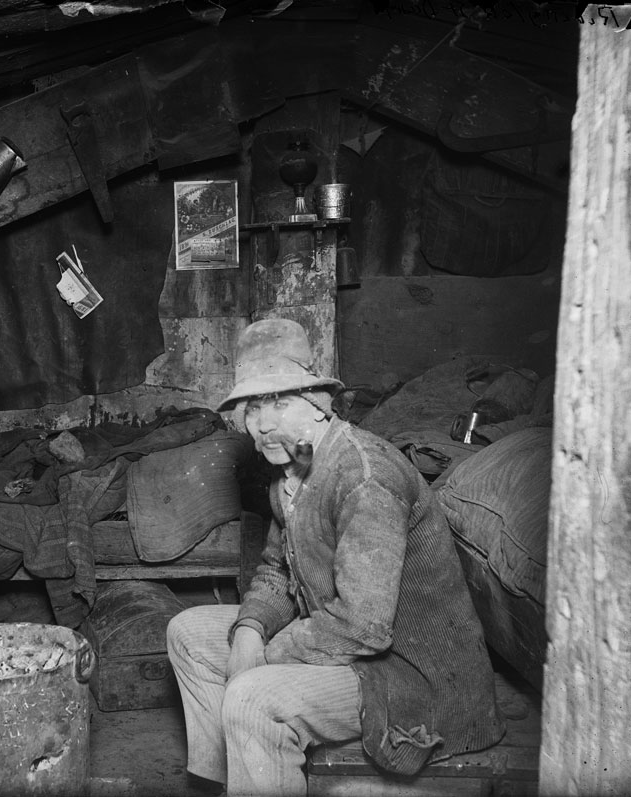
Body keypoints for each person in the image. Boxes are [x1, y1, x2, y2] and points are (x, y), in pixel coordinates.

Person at [166, 319, 505, 797]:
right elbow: (276, 570)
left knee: (250, 696)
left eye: (279, 403)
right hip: (337, 636)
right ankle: (225, 782)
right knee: (188, 633)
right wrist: (249, 631)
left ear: (318, 404)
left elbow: (365, 626)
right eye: (252, 407)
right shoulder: (293, 469)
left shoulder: (365, 478)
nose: (261, 424)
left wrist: (266, 654)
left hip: (411, 676)